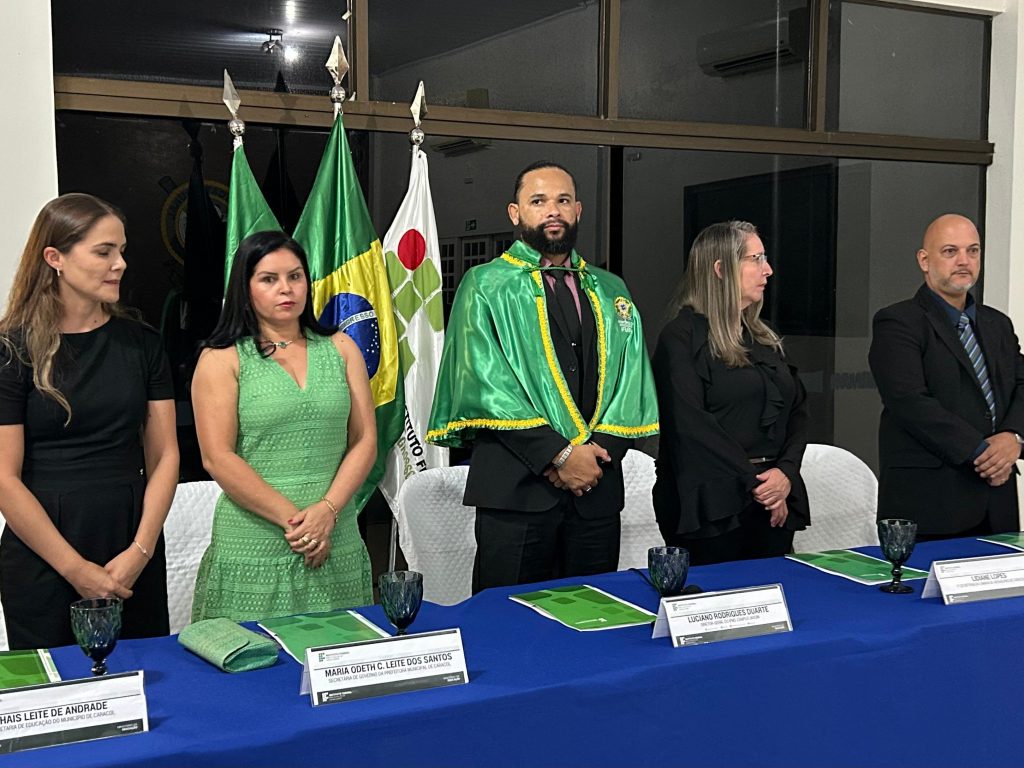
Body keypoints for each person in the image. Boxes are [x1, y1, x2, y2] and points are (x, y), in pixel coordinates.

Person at [427, 161, 659, 591]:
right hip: (516, 493)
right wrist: (560, 456)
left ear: (578, 210)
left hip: (595, 490)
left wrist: (595, 457)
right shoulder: (485, 285)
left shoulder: (610, 289)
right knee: (510, 626)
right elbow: (486, 383)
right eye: (538, 201)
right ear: (515, 213)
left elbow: (632, 384)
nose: (552, 210)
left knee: (594, 618)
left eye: (563, 200)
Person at [0, 193, 178, 649]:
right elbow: (4, 478)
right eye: (103, 252)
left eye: (121, 251)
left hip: (129, 539)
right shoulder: (11, 350)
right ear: (54, 258)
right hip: (45, 550)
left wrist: (140, 551)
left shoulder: (142, 343)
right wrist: (75, 570)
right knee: (56, 698)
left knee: (142, 687)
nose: (119, 264)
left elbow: (164, 456)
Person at [190, 230, 375, 622]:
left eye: (295, 276)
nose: (286, 289)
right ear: (245, 287)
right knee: (252, 671)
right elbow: (217, 458)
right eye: (268, 279)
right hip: (256, 540)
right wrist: (301, 525)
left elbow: (364, 441)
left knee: (340, 662)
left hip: (335, 532)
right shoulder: (221, 359)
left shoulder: (341, 347)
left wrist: (326, 512)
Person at [652, 220, 809, 565]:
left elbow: (798, 412)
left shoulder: (765, 338)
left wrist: (785, 474)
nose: (768, 270)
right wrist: (759, 485)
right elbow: (692, 426)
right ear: (721, 269)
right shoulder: (680, 338)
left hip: (772, 499)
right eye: (756, 259)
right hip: (713, 503)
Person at [869, 213, 1024, 539]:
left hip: (997, 504)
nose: (964, 261)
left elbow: (1021, 386)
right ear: (924, 260)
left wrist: (1013, 438)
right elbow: (909, 401)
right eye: (950, 251)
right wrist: (983, 453)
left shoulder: (998, 324)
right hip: (930, 503)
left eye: (973, 251)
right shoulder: (898, 322)